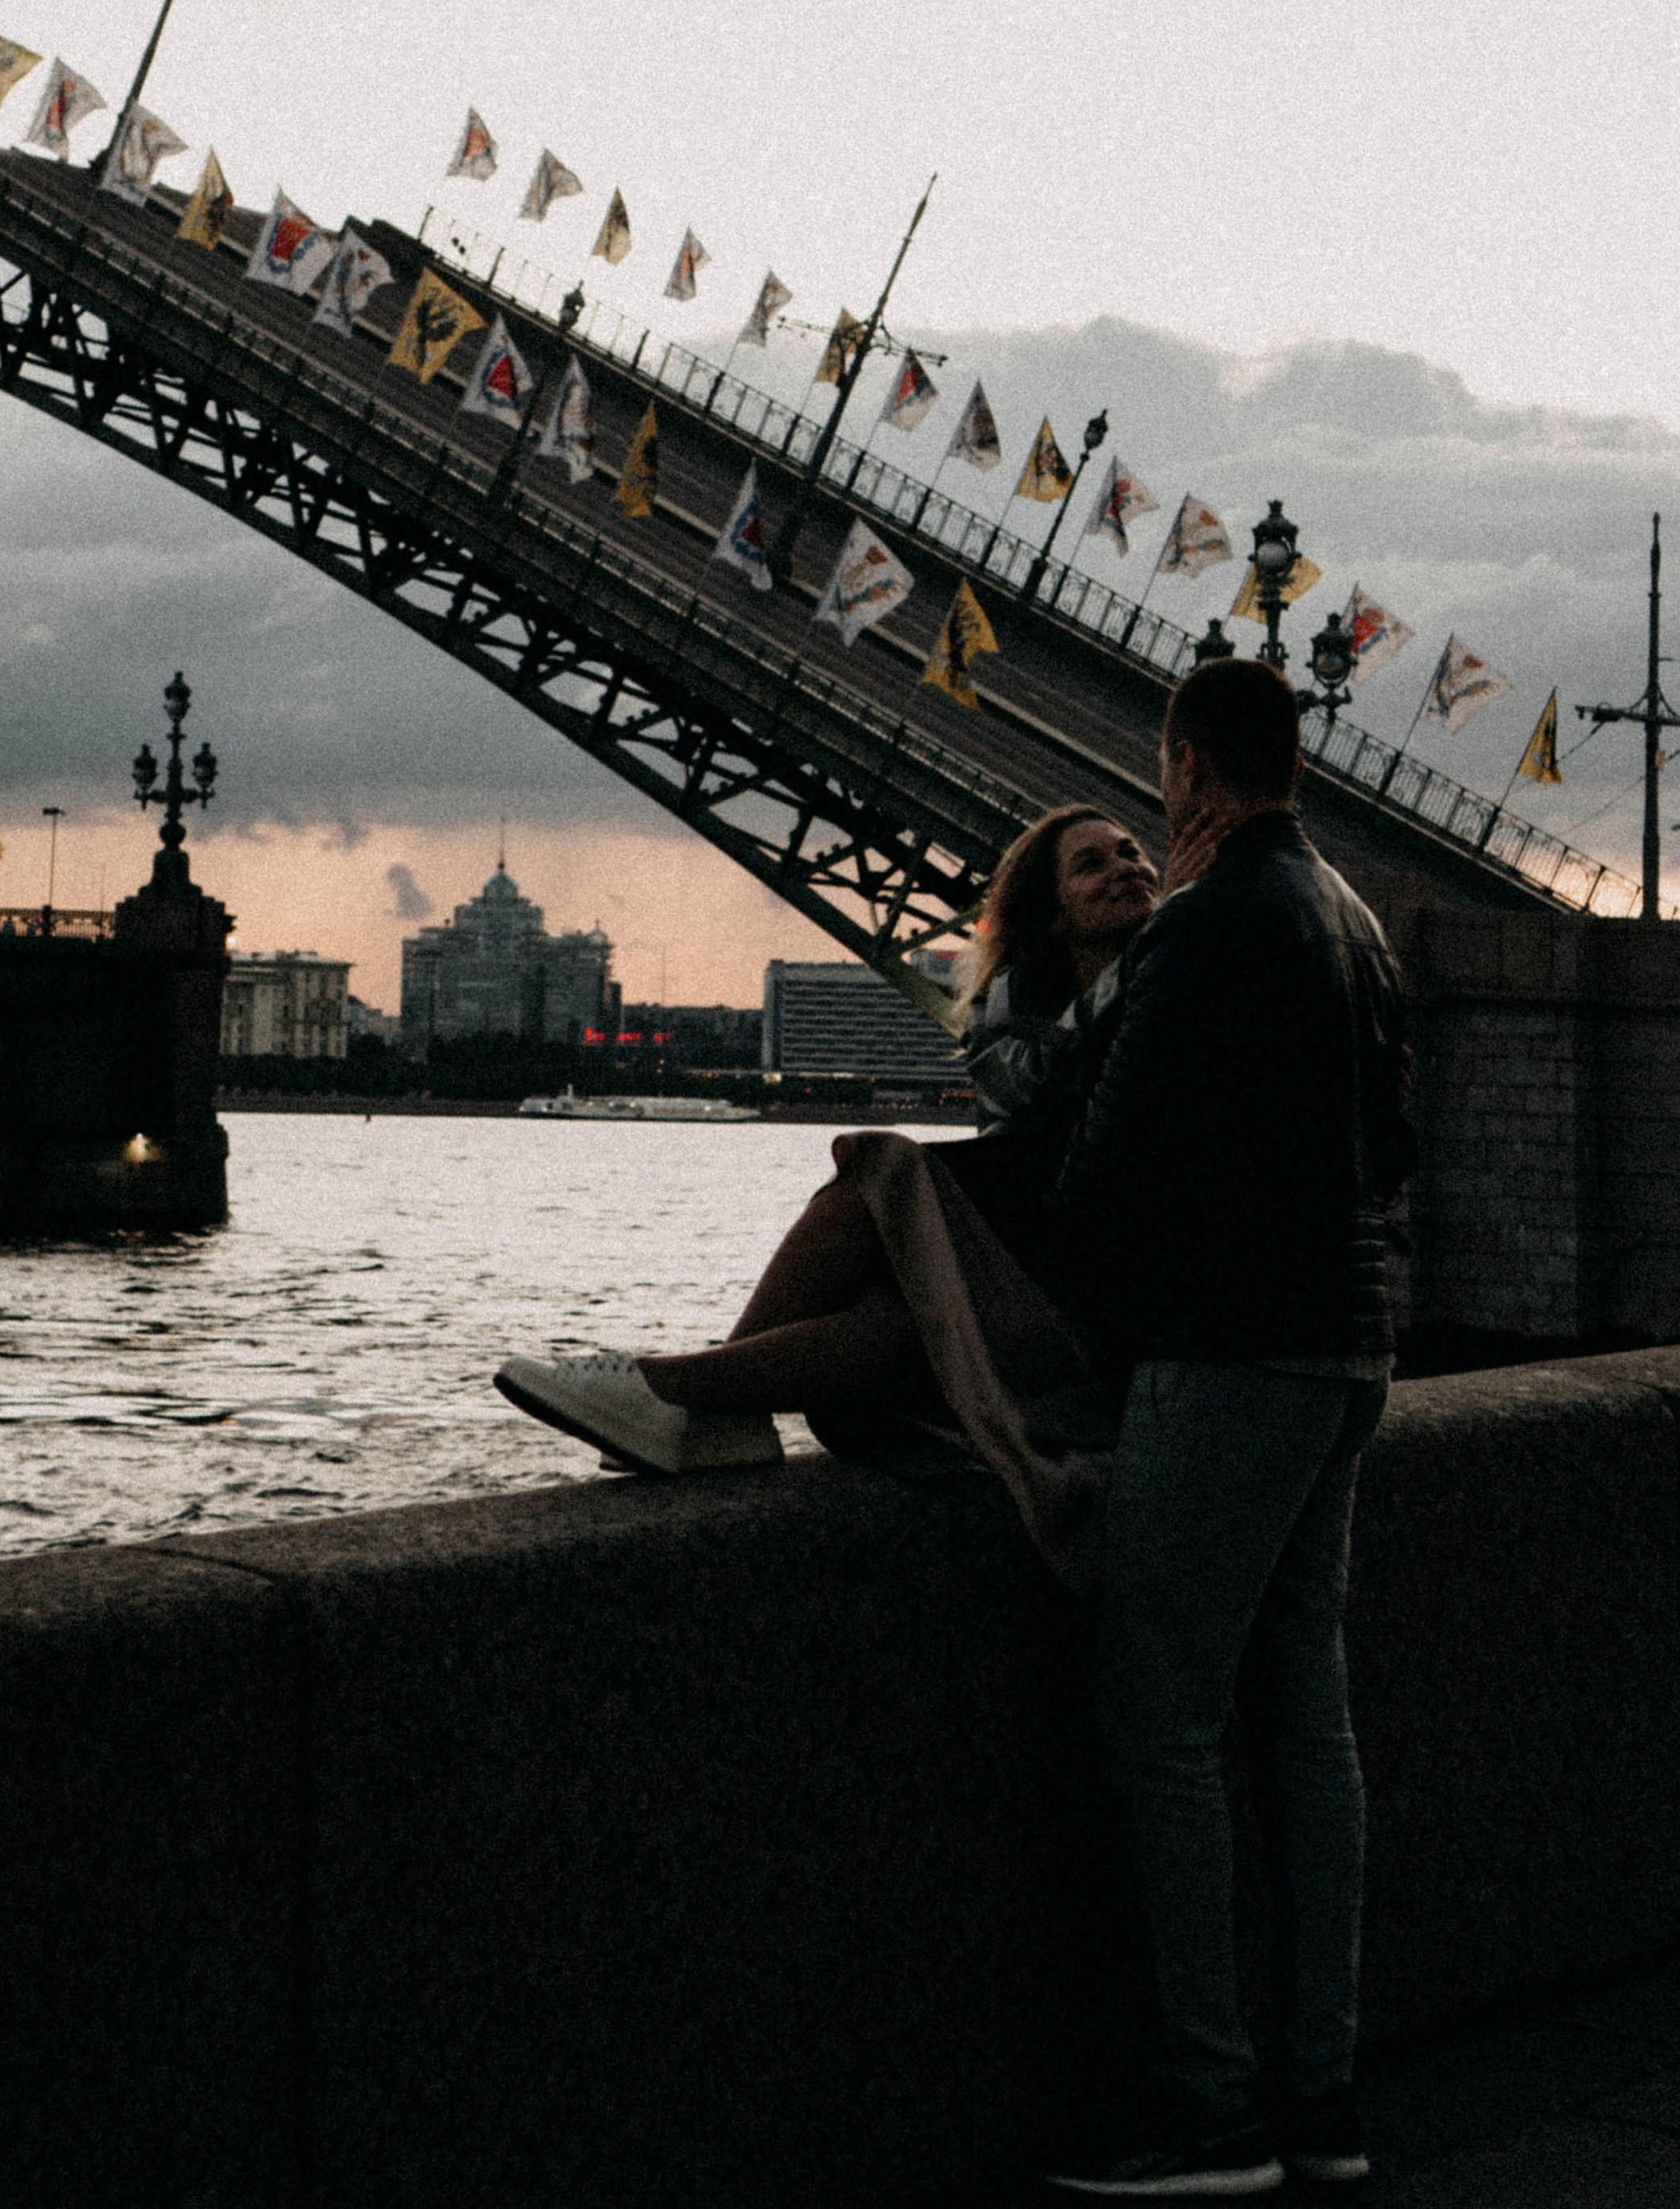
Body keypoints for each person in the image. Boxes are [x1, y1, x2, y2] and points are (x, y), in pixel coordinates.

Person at [1035, 656, 1407, 2202]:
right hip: (1349, 1347)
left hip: (1230, 1350)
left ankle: (1210, 2112)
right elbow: (1389, 1147)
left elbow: (1100, 1179)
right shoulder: (1355, 921)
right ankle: (1321, 2097)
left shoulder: (1205, 926)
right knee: (1306, 1721)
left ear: (1189, 768)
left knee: (1160, 1713)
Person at [493, 804, 1158, 1586]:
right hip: (1052, 1304)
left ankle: (679, 1394)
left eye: (1132, 851)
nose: (1125, 867)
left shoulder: (1168, 994)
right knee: (896, 1311)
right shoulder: (1024, 1029)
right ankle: (699, 1404)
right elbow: (1034, 1142)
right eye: (1093, 863)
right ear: (1050, 916)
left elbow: (1064, 1177)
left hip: (1113, 1328)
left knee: (880, 1176)